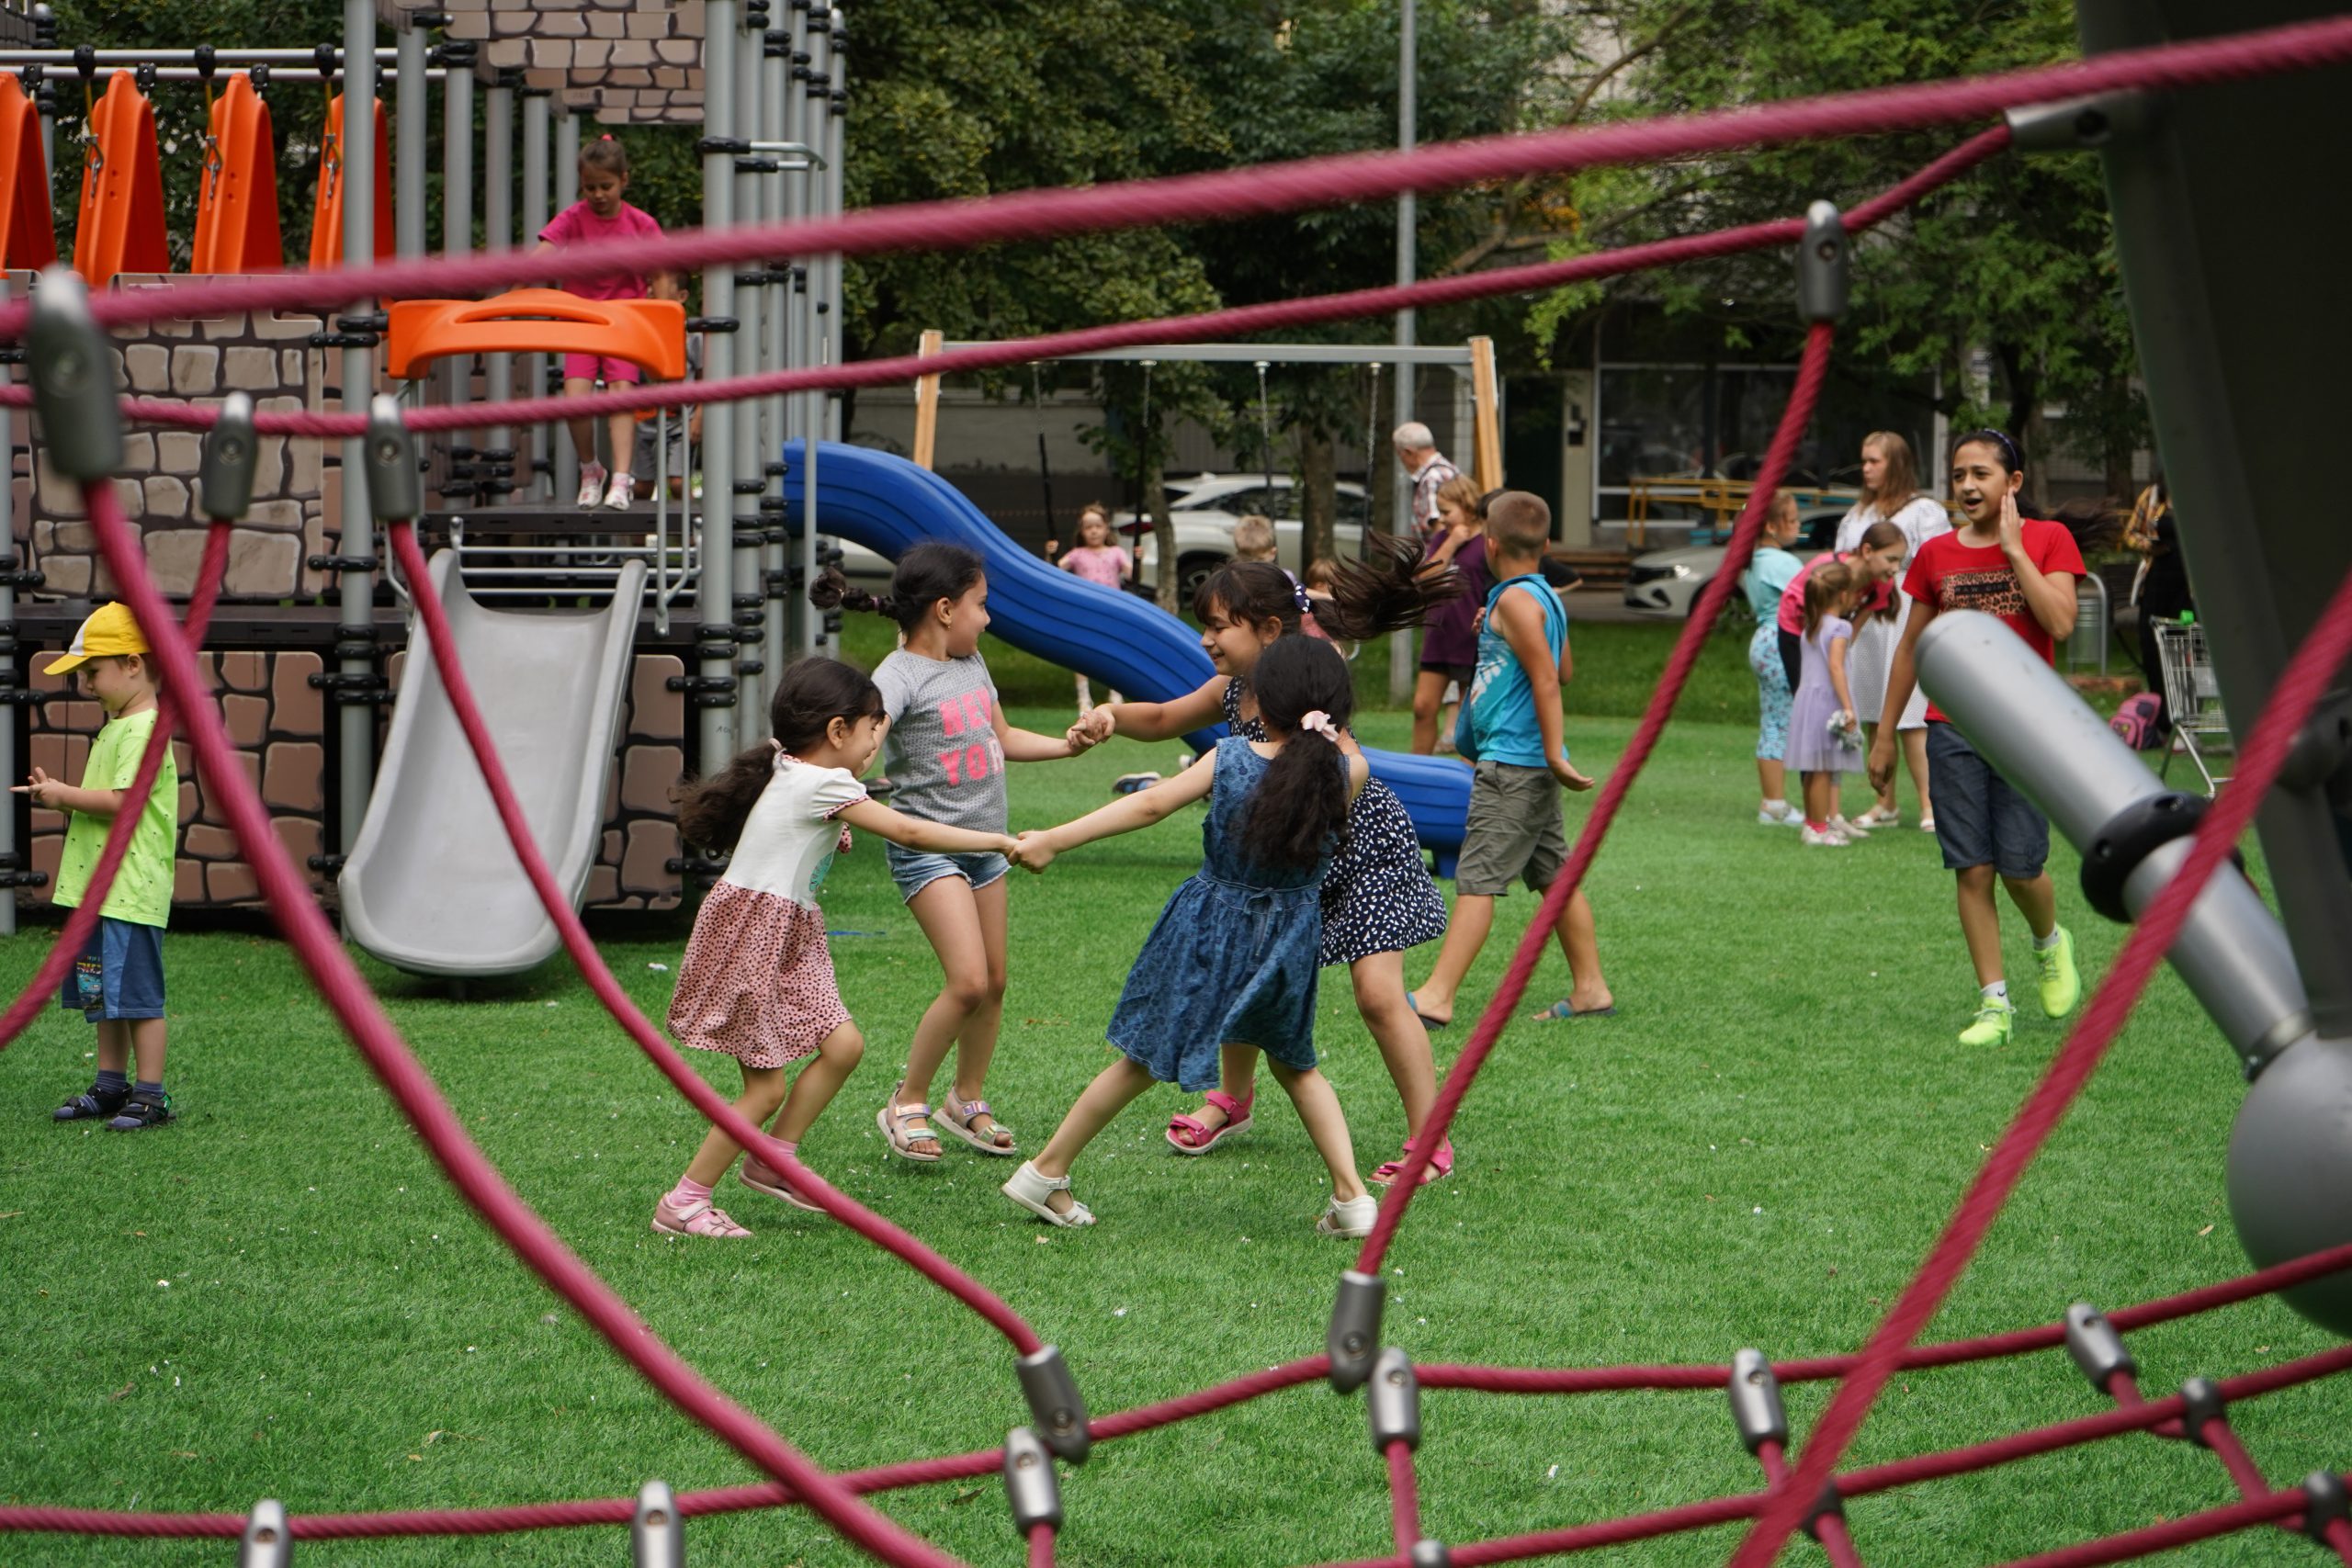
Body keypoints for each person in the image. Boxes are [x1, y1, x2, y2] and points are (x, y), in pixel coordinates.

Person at [1069, 539, 1456, 1185]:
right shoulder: (1233, 690)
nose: (1206, 638)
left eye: (1219, 626)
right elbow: (1164, 715)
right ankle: (1234, 1099)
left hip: (1358, 851)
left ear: (1269, 630)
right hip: (1281, 864)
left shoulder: (1305, 687)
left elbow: (1352, 762)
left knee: (1379, 995)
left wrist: (1325, 792)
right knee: (1243, 967)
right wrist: (1110, 714)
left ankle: (1430, 1137)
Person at [1001, 637, 1379, 1236]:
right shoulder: (1346, 772)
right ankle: (1353, 1196)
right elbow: (1327, 761)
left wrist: (1054, 836)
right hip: (1287, 936)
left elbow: (1149, 805)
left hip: (1210, 925)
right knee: (1296, 1066)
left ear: (1264, 702)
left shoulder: (1227, 757)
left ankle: (1044, 1171)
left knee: (1141, 1060)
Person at [654, 659, 1022, 1237]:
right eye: (876, 726)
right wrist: (998, 840)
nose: (880, 738)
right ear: (837, 731)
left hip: (783, 935)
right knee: (765, 1088)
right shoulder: (822, 782)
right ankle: (685, 1201)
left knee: (844, 1045)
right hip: (756, 938)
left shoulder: (793, 768)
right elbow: (910, 831)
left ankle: (774, 1161)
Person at [808, 545, 1101, 1166]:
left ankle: (964, 1098)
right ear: (945, 609)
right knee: (967, 980)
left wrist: (1068, 747)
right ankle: (907, 1100)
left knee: (994, 981)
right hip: (929, 850)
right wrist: (835, 790)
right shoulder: (898, 677)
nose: (988, 619)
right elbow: (861, 748)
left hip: (985, 848)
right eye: (981, 605)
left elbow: (1005, 738)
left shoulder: (973, 663)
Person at [1870, 430, 2085, 1047]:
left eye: (1982, 474)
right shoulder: (1935, 554)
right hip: (1951, 726)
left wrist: (2016, 552)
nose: (1967, 485)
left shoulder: (2049, 540)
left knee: (2022, 869)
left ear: (2013, 482)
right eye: (1959, 474)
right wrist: (1885, 734)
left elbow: (2062, 623)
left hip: (2027, 728)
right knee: (1972, 869)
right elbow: (1910, 647)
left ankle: (2049, 942)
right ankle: (1994, 1003)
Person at [1408, 491, 1615, 1027]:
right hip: (1530, 763)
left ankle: (1436, 996)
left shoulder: (1517, 603)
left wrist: (1553, 753)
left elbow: (1549, 679)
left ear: (1489, 543)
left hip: (1516, 764)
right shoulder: (1540, 599)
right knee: (1554, 878)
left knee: (1478, 880)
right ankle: (1591, 988)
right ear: (1545, 546)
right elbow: (1561, 668)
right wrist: (1496, 632)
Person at [18, 604, 179, 1130]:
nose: (86, 684)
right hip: (97, 894)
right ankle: (111, 1085)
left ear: (133, 664)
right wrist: (60, 796)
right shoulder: (118, 727)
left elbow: (123, 801)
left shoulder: (144, 729)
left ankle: (151, 1095)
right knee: (101, 994)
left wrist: (63, 795)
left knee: (135, 996)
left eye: (92, 672)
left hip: (128, 893)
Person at [533, 135, 672, 511]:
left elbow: (661, 276)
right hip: (581, 320)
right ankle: (591, 468)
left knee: (621, 393)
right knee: (574, 398)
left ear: (624, 181)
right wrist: (521, 292)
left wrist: (664, 317)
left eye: (605, 186)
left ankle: (622, 479)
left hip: (624, 321)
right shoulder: (574, 219)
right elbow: (541, 255)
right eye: (590, 187)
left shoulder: (640, 224)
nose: (597, 195)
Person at [1837, 433, 1950, 829]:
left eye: (1875, 461)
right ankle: (1884, 803)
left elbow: (1940, 567)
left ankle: (1929, 805)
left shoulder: (1923, 511)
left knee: (1912, 712)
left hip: (1908, 612)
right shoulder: (1858, 515)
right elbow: (1843, 562)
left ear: (1896, 464)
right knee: (1872, 707)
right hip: (1868, 619)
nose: (1866, 468)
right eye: (1864, 461)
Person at [1776, 520, 1905, 839]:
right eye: (1891, 559)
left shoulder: (1879, 587)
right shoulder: (1827, 570)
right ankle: (1818, 821)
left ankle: (1831, 816)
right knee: (1818, 740)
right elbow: (1805, 614)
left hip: (1829, 645)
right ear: (1866, 551)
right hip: (1797, 637)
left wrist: (1840, 662)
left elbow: (1851, 633)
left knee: (1831, 739)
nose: (1895, 568)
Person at [1783, 562, 1866, 846]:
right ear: (1843, 595)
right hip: (1826, 702)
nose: (1856, 599)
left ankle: (1812, 823)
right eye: (1854, 594)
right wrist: (1848, 708)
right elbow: (1836, 667)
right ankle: (1819, 828)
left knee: (1813, 768)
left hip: (1807, 700)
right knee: (1823, 769)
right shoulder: (1841, 627)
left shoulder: (1812, 625)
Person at [1411, 474, 1491, 756]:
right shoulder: (1443, 538)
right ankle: (1418, 771)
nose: (1441, 519)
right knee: (1422, 707)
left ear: (1467, 506)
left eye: (1446, 512)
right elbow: (1424, 576)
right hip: (1439, 637)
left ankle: (1466, 778)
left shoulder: (1487, 542)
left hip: (1470, 641)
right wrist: (1452, 542)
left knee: (1470, 716)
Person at [1740, 492, 1806, 826]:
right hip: (1781, 642)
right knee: (1780, 723)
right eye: (1792, 520)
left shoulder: (1756, 561)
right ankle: (1774, 804)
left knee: (1773, 721)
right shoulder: (1782, 564)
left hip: (1764, 642)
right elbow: (1813, 596)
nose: (1797, 526)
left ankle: (1774, 802)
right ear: (1771, 526)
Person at [1055, 502, 1130, 711]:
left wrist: (1138, 558)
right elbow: (1053, 571)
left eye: (1098, 526)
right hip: (1085, 610)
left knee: (1113, 651)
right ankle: (1084, 698)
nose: (1094, 531)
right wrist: (1050, 553)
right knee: (1083, 653)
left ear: (1106, 528)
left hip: (1112, 609)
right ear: (1082, 531)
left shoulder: (1116, 552)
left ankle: (1116, 692)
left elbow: (1132, 574)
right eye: (1088, 527)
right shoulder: (1077, 554)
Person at [1394, 421, 1462, 536]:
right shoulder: (1451, 469)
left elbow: (1439, 530)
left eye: (1400, 454)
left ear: (1409, 452)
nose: (1401, 461)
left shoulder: (1432, 478)